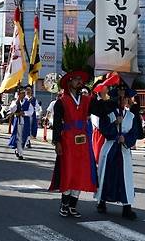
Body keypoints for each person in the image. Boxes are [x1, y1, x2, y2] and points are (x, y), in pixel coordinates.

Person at [49, 70, 97, 218]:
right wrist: (57, 142)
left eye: (79, 80)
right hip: (68, 140)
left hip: (83, 140)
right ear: (69, 82)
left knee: (80, 172)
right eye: (75, 79)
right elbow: (57, 124)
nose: (79, 82)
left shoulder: (86, 100)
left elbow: (100, 109)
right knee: (68, 172)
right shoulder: (61, 102)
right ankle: (64, 204)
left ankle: (73, 205)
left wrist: (109, 100)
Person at [92, 77, 138, 219]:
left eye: (125, 98)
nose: (122, 100)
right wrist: (114, 125)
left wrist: (126, 139)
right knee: (106, 174)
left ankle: (127, 206)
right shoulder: (109, 114)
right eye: (120, 97)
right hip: (110, 147)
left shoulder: (131, 116)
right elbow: (104, 129)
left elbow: (134, 132)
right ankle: (102, 201)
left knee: (125, 177)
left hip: (124, 150)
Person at [8, 87, 32, 160]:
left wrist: (24, 113)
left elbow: (31, 111)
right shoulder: (14, 102)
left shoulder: (28, 102)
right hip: (17, 121)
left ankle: (19, 150)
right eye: (21, 93)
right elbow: (12, 109)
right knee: (18, 137)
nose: (22, 95)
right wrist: (17, 102)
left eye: (23, 93)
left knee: (24, 137)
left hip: (25, 122)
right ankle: (20, 153)